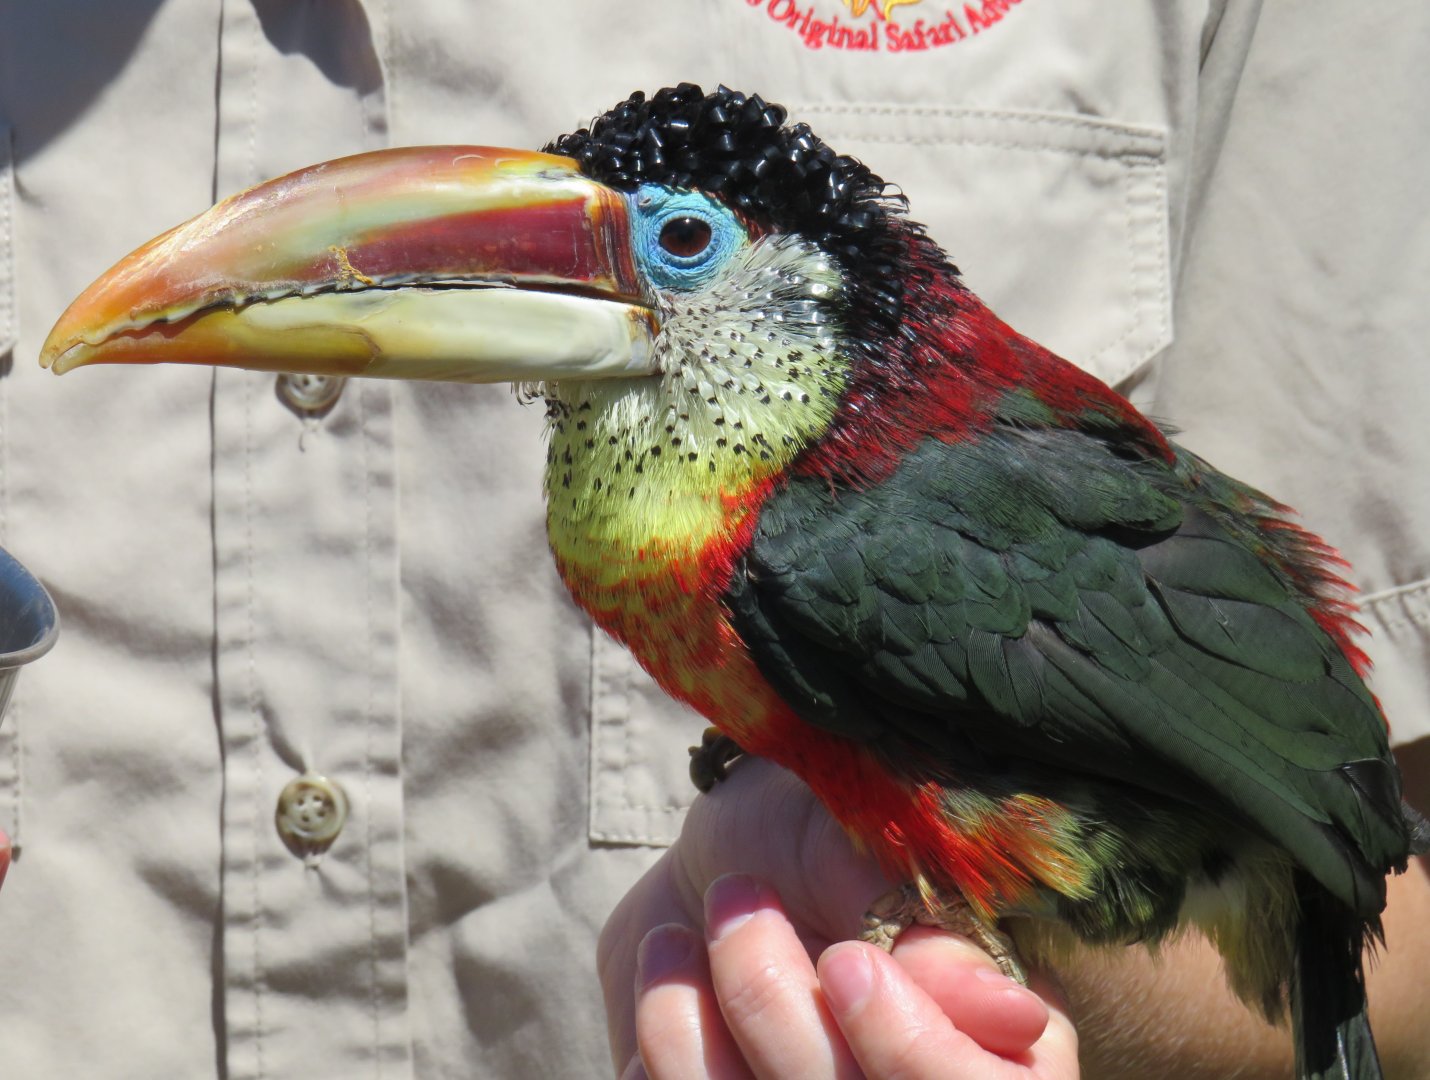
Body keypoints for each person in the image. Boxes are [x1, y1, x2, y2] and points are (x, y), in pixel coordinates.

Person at [1, 1, 1426, 1077]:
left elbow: (1383, 870)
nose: (635, 273)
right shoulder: (676, 503)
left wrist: (982, 956)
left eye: (682, 247)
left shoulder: (832, 529)